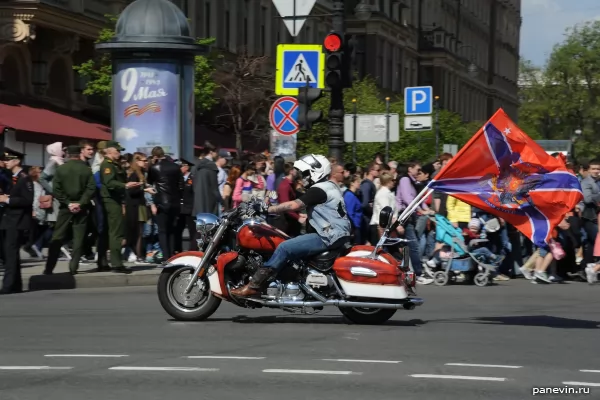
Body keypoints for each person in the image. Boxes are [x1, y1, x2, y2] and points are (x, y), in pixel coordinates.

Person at [231, 155, 350, 298]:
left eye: (306, 173)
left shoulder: (319, 189)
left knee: (284, 247)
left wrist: (266, 209)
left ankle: (255, 286)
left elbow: (294, 205)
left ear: (315, 172)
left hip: (327, 236)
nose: (303, 177)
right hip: (336, 234)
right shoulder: (329, 187)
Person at [44, 145, 96, 275]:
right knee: (79, 236)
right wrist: (80, 203)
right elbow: (91, 188)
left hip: (64, 208)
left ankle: (49, 268)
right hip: (82, 207)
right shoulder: (86, 169)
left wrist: (67, 203)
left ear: (67, 155)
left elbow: (56, 189)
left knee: (57, 236)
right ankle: (73, 267)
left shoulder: (62, 169)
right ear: (79, 154)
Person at [99, 141, 141, 273]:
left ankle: (106, 262)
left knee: (111, 231)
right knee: (116, 232)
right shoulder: (107, 165)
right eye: (117, 151)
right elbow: (109, 182)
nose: (119, 153)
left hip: (115, 199)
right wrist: (125, 185)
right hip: (112, 200)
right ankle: (116, 263)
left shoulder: (115, 164)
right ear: (109, 151)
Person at [0, 154, 33, 295]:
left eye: (8, 160)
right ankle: (16, 285)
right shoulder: (13, 178)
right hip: (10, 220)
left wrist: (8, 200)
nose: (6, 162)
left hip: (17, 221)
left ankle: (7, 285)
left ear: (17, 161)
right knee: (12, 254)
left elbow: (27, 200)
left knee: (10, 254)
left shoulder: (24, 178)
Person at [147, 147, 184, 260]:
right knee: (172, 229)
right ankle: (172, 255)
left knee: (162, 230)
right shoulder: (175, 167)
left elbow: (149, 182)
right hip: (175, 202)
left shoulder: (154, 168)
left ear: (155, 156)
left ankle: (166, 256)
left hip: (162, 203)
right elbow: (181, 185)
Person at [192, 142, 221, 217]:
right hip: (210, 205)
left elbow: (194, 185)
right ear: (211, 152)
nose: (217, 154)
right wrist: (222, 201)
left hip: (198, 205)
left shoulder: (197, 166)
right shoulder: (211, 167)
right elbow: (215, 189)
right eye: (217, 152)